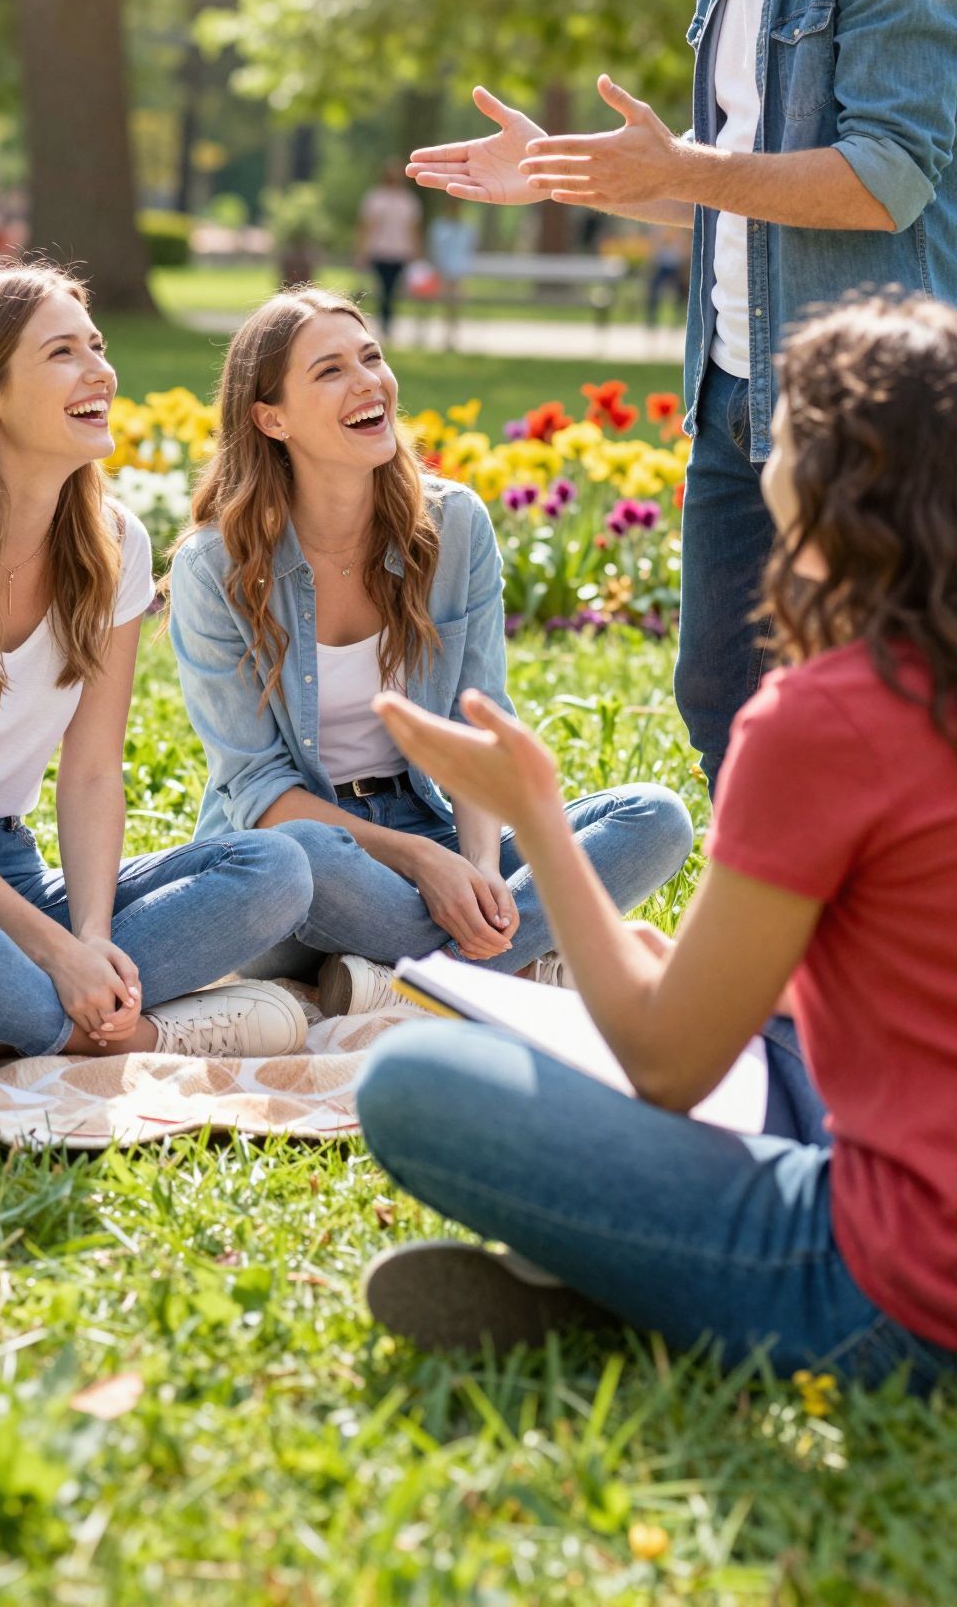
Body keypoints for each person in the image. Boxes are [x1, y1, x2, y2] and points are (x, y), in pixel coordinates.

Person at [356, 294, 957, 1392]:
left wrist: (538, 815)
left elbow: (667, 1065)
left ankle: (639, 1284)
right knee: (767, 1028)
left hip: (898, 1291)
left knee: (410, 1079)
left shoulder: (827, 717)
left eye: (784, 429)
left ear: (838, 483)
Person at [406, 0, 957, 791]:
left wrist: (688, 168)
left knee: (878, 721)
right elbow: (730, 188)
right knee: (720, 700)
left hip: (863, 416)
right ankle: (765, 918)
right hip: (732, 393)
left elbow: (887, 178)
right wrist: (570, 171)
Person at [0, 265, 317, 1082]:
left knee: (278, 866)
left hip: (6, 866)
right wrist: (55, 953)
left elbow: (91, 774)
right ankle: (131, 1035)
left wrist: (90, 939)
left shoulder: (113, 544)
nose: (100, 371)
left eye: (97, 346)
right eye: (62, 353)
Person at [166, 286, 692, 1019]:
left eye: (371, 358)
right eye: (330, 371)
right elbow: (258, 793)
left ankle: (402, 980)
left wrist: (479, 869)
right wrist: (424, 863)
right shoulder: (214, 568)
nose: (368, 382)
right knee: (302, 857)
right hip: (300, 864)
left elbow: (480, 725)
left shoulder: (454, 525)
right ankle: (506, 968)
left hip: (431, 821)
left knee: (655, 818)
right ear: (271, 418)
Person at [354, 159, 422, 334]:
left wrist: (415, 252)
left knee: (392, 290)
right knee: (382, 289)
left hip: (400, 252)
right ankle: (383, 321)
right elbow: (367, 226)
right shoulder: (376, 198)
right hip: (380, 251)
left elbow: (412, 228)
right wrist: (362, 251)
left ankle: (387, 321)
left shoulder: (408, 201)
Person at [426, 208, 478, 349]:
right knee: (441, 302)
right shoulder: (440, 227)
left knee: (454, 305)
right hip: (442, 271)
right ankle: (440, 335)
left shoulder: (465, 229)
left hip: (457, 271)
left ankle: (451, 335)